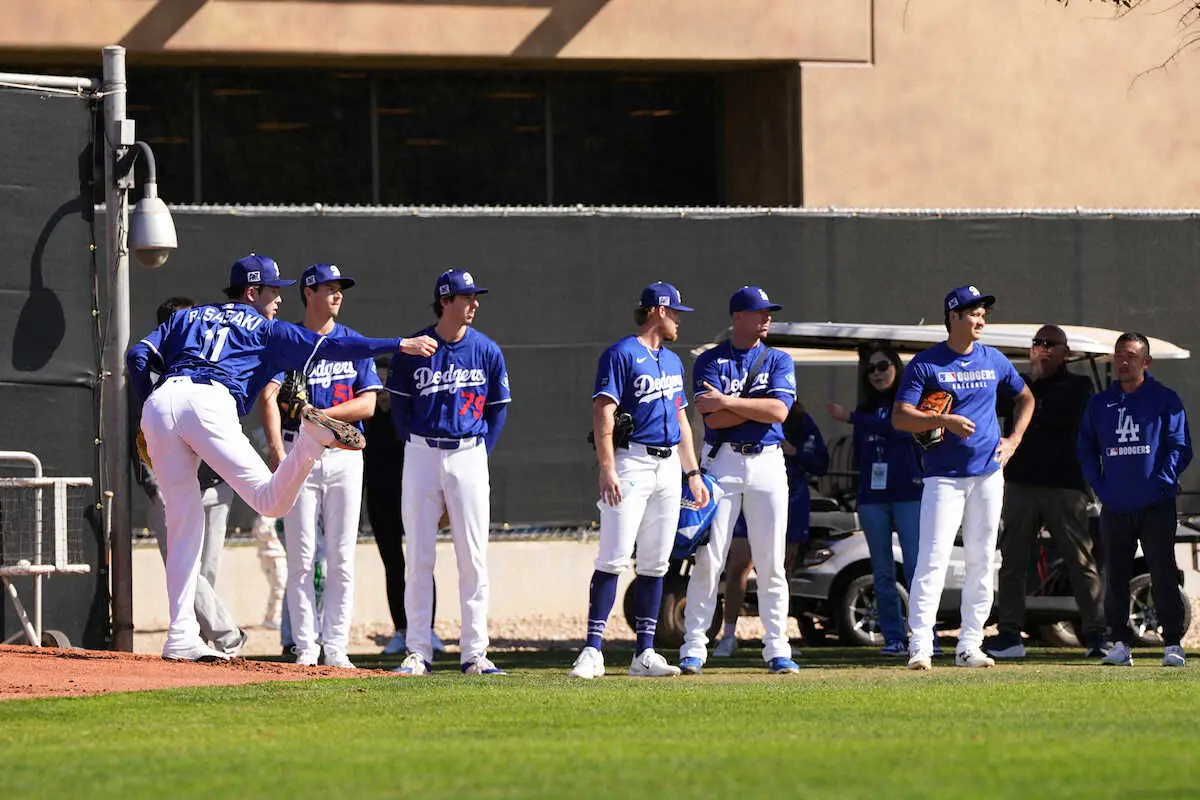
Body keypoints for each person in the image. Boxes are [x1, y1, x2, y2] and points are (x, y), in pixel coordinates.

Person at [127, 253, 437, 662]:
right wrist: (398, 344)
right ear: (252, 292)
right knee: (271, 500)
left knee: (183, 522)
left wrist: (142, 417)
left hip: (162, 402)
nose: (279, 300)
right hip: (208, 401)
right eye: (274, 291)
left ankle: (181, 634)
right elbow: (337, 346)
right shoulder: (268, 329)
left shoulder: (190, 316)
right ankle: (311, 438)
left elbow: (136, 357)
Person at [568, 282, 708, 680]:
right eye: (676, 311)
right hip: (631, 463)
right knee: (612, 557)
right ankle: (593, 650)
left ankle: (643, 653)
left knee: (656, 563)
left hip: (667, 469)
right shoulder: (621, 354)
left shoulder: (673, 361)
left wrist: (692, 472)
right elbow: (603, 410)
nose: (680, 318)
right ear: (657, 311)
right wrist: (607, 466)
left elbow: (681, 419)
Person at [892, 284, 1034, 670]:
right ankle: (921, 645)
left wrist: (1013, 441)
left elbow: (1026, 397)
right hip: (944, 477)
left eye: (983, 312)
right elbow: (900, 417)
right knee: (933, 559)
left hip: (988, 474)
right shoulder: (926, 363)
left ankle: (970, 644)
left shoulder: (993, 359)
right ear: (953, 317)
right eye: (973, 312)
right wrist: (942, 419)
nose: (981, 318)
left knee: (982, 560)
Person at [386, 269, 510, 677]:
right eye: (466, 297)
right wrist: (413, 441)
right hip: (422, 452)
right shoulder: (417, 348)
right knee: (419, 556)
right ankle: (418, 649)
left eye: (475, 297)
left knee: (472, 558)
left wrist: (480, 453)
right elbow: (399, 410)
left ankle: (474, 653)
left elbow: (498, 409)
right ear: (445, 301)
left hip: (469, 453)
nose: (474, 304)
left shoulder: (487, 350)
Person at [259, 263, 382, 669]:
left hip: (344, 456)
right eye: (328, 287)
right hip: (299, 454)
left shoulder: (354, 341)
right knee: (301, 556)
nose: (337, 294)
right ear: (308, 293)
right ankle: (305, 647)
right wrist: (277, 450)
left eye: (340, 288)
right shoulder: (290, 341)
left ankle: (336, 646)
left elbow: (368, 404)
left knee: (341, 556)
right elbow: (269, 396)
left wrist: (319, 415)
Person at [678, 285, 800, 676]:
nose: (767, 317)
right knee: (710, 558)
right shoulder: (711, 360)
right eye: (759, 312)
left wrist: (729, 403)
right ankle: (694, 645)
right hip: (723, 461)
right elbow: (711, 420)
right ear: (738, 317)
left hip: (767, 461)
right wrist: (750, 410)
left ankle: (776, 646)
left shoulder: (779, 358)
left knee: (771, 562)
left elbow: (779, 411)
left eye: (769, 311)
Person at [987, 325, 1106, 659]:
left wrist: (1031, 390)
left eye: (1049, 344)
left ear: (1064, 352)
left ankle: (1096, 634)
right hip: (1021, 482)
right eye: (1037, 344)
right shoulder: (1016, 385)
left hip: (1064, 485)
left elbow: (1055, 416)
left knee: (1079, 559)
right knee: (1012, 561)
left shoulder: (1078, 386)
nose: (1041, 349)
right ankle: (1009, 634)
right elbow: (990, 409)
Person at [137, 296, 245, 658]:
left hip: (215, 486)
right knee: (185, 566)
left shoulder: (212, 367)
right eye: (187, 322)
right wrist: (152, 486)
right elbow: (135, 432)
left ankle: (204, 648)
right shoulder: (150, 374)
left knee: (207, 570)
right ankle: (227, 636)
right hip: (169, 485)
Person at [1078, 332, 1193, 668]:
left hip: (1155, 504)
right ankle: (1119, 643)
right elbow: (1085, 447)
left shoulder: (1164, 399)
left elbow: (1180, 447)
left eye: (1130, 356)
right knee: (1114, 575)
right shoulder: (1101, 404)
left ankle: (1172, 643)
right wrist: (1099, 485)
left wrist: (1161, 482)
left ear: (1146, 362)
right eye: (1118, 356)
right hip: (1115, 505)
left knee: (1163, 572)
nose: (1123, 362)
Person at [827, 342, 924, 657]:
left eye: (883, 366)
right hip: (873, 498)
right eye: (870, 369)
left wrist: (851, 417)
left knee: (916, 567)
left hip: (908, 493)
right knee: (881, 570)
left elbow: (897, 427)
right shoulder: (867, 409)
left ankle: (925, 636)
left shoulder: (907, 402)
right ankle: (894, 638)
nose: (877, 373)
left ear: (896, 367)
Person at [713, 399, 827, 658]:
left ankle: (777, 637)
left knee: (779, 568)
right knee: (740, 563)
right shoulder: (744, 407)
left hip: (790, 498)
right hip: (745, 492)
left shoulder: (801, 421)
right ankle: (728, 634)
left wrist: (795, 451)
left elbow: (820, 462)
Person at [364, 356, 442, 656]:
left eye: (387, 382)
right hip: (379, 498)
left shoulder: (407, 414)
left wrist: (394, 406)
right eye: (377, 382)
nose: (382, 389)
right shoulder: (366, 416)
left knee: (421, 560)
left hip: (413, 495)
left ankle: (427, 629)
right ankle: (401, 630)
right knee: (393, 565)